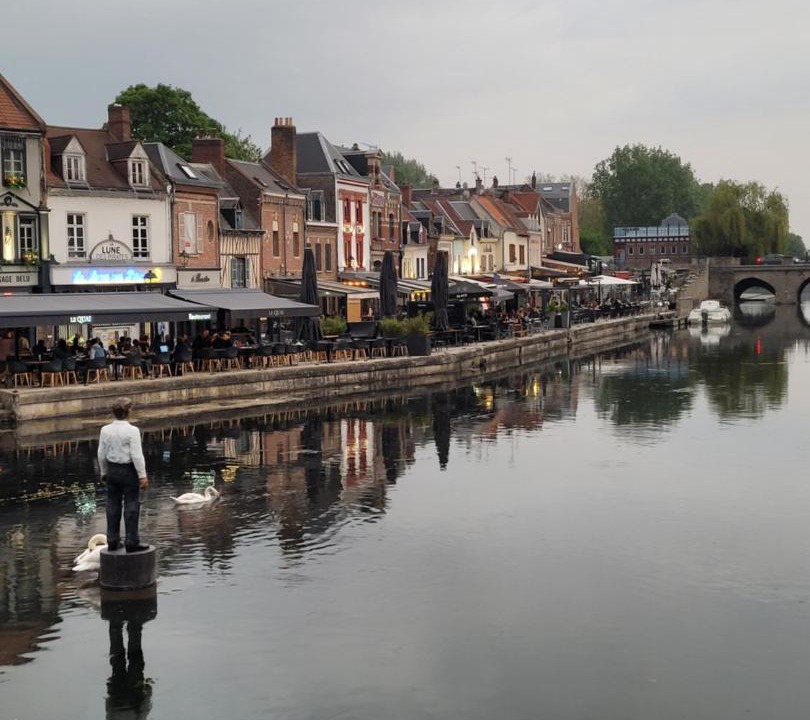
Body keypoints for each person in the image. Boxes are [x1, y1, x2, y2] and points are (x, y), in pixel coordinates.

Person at [97, 397, 149, 552]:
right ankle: (131, 541)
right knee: (131, 505)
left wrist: (103, 471)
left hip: (112, 470)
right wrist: (142, 476)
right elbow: (136, 455)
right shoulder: (132, 431)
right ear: (129, 412)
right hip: (128, 471)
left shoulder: (105, 430)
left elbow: (101, 453)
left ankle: (112, 540)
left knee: (112, 505)